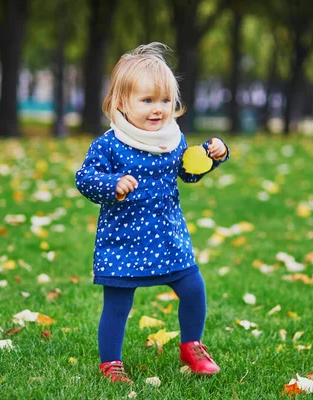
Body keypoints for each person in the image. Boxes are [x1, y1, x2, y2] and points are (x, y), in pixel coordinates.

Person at [75, 42, 229, 383]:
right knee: (117, 306)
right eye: (147, 101)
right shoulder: (110, 144)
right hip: (123, 239)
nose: (158, 109)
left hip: (167, 236)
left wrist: (212, 154)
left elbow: (188, 170)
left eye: (164, 101)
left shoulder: (171, 138)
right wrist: (111, 184)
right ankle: (110, 363)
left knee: (193, 289)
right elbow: (84, 178)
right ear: (121, 103)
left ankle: (191, 345)